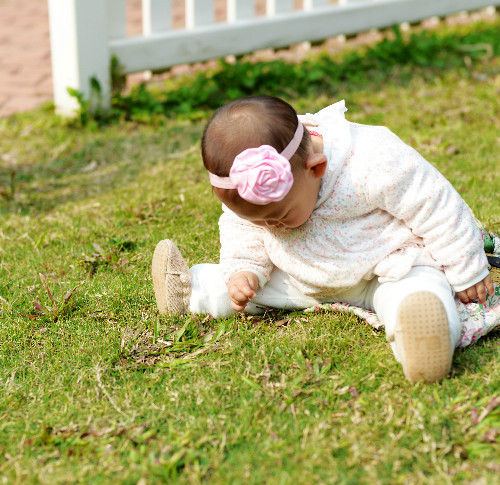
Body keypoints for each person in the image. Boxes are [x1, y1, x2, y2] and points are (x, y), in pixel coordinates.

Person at [152, 95, 494, 383]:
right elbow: (244, 229)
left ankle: (424, 339)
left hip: (386, 266)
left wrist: (466, 269)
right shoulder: (261, 207)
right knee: (240, 290)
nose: (273, 226)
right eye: (262, 220)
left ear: (315, 168)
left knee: (419, 288)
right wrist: (245, 271)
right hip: (300, 274)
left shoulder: (373, 158)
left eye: (281, 216)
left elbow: (436, 205)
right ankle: (191, 290)